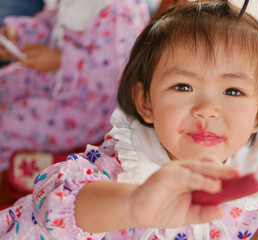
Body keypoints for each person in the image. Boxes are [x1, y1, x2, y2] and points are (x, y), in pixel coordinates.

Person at [1, 0, 258, 239]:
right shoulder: (119, 170)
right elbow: (50, 203)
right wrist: (132, 204)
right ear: (145, 101)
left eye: (233, 91)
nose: (207, 109)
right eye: (183, 86)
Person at [0, 0, 150, 171]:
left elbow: (113, 76)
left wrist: (60, 60)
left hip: (86, 108)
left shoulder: (122, 9)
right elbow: (50, 25)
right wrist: (19, 34)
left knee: (7, 124)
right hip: (52, 80)